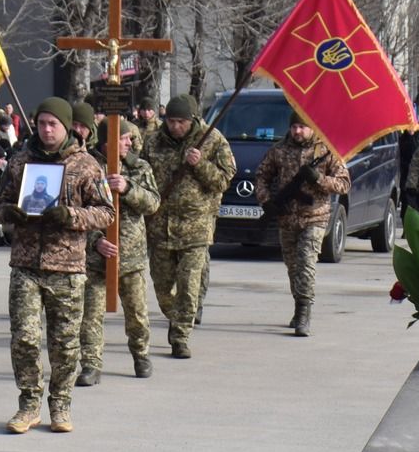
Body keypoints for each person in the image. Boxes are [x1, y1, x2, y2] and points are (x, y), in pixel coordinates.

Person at [0, 97, 113, 433]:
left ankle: (60, 405)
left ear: (66, 127)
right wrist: (9, 213)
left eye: (54, 124)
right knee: (25, 338)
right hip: (25, 265)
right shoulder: (20, 162)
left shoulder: (86, 165)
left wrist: (72, 215)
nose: (47, 130)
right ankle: (28, 405)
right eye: (42, 123)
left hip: (68, 267)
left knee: (64, 343)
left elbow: (106, 211)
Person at [141, 94, 236, 360]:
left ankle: (180, 335)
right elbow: (141, 176)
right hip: (160, 227)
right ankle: (177, 316)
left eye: (180, 121)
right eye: (170, 121)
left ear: (192, 119)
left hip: (196, 227)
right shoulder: (153, 141)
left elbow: (222, 181)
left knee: (188, 285)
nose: (175, 126)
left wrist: (200, 164)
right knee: (162, 287)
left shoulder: (213, 140)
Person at [252, 112, 350, 337]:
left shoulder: (325, 150)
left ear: (312, 127)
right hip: (287, 217)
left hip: (315, 216)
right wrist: (266, 201)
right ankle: (298, 306)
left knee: (306, 262)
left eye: (302, 127)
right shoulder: (279, 150)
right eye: (294, 126)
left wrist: (319, 179)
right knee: (293, 267)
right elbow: (262, 176)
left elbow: (344, 184)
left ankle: (304, 313)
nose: (297, 131)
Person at [78, 117, 159, 383]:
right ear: (108, 141)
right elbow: (79, 212)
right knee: (91, 315)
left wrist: (128, 188)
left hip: (131, 256)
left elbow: (153, 203)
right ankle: (91, 364)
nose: (129, 142)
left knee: (137, 313)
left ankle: (141, 355)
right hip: (97, 258)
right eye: (124, 138)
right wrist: (95, 241)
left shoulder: (139, 167)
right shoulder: (87, 168)